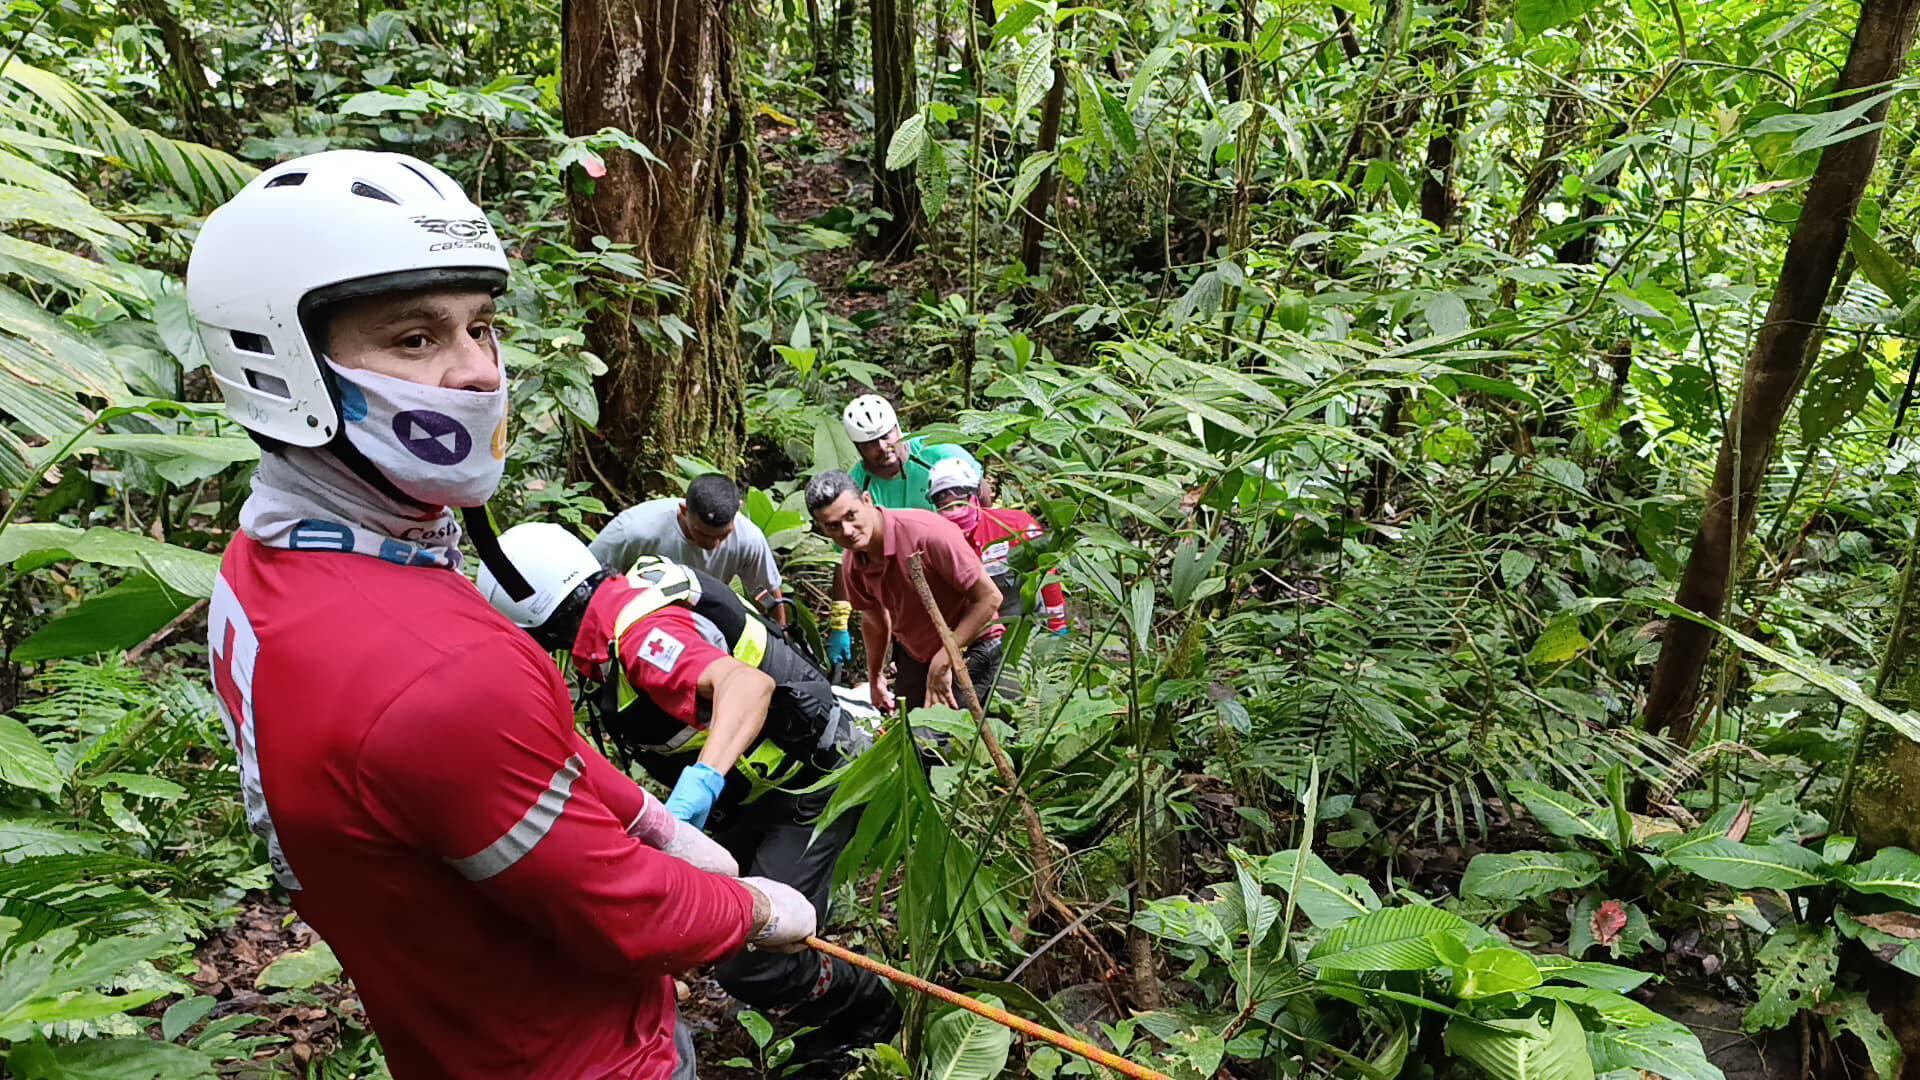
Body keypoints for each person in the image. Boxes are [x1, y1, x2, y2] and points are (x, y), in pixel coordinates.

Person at [190, 149, 814, 1080]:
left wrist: (650, 813)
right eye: (415, 339)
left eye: (482, 327)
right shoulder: (444, 671)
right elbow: (621, 911)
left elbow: (545, 768)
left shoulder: (261, 571)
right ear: (284, 367)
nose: (480, 373)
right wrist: (753, 909)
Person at [478, 525, 900, 1066]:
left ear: (542, 620)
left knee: (750, 961)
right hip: (760, 795)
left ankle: (871, 1015)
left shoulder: (638, 636)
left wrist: (702, 782)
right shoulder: (616, 618)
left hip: (806, 788)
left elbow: (747, 687)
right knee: (703, 912)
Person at [805, 470, 1005, 714]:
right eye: (834, 526)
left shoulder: (927, 533)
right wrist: (876, 677)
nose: (847, 531)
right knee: (905, 734)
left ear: (867, 501)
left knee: (935, 740)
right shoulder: (852, 562)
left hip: (973, 642)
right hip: (920, 653)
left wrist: (945, 657)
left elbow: (989, 597)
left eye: (851, 515)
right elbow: (874, 619)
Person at [826, 394, 982, 665]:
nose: (883, 447)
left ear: (899, 428)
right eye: (870, 444)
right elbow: (846, 555)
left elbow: (983, 500)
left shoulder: (940, 453)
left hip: (961, 569)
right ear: (858, 448)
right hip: (908, 592)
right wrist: (839, 620)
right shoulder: (856, 487)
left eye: (887, 436)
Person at [591, 474, 789, 625]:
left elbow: (763, 592)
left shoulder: (749, 539)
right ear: (684, 511)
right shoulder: (636, 531)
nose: (713, 544)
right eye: (702, 534)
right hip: (638, 617)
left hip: (703, 619)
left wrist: (781, 635)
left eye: (723, 536)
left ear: (738, 509)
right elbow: (589, 575)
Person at [926, 457, 1069, 636]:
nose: (955, 511)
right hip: (973, 632)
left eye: (960, 502)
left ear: (975, 494)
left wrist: (1057, 624)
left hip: (1026, 622)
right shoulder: (932, 543)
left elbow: (1047, 572)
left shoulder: (1015, 526)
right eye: (945, 504)